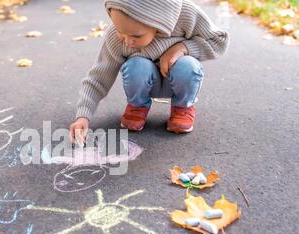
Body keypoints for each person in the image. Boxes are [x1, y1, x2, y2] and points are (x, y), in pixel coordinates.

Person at [69, 0, 229, 143]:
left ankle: (182, 107)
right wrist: (83, 115)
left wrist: (182, 48)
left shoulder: (185, 15)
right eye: (120, 30)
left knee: (188, 66)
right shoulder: (118, 37)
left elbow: (219, 40)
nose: (127, 41)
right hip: (144, 81)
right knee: (136, 66)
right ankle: (138, 106)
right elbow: (99, 76)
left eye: (136, 36)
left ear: (158, 25)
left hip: (178, 78)